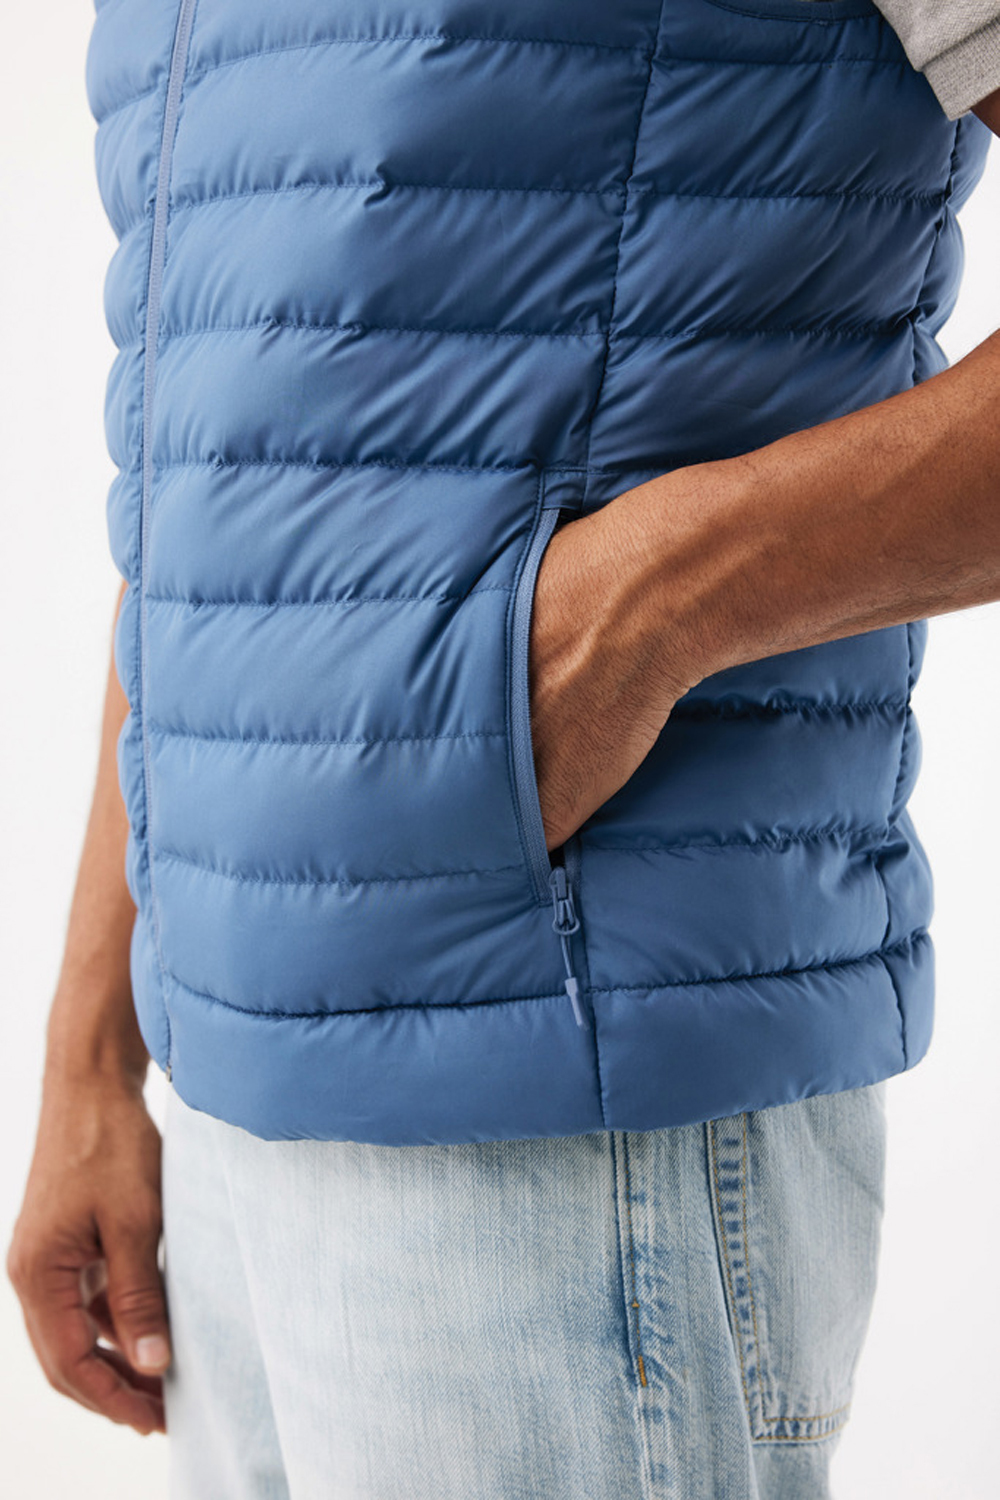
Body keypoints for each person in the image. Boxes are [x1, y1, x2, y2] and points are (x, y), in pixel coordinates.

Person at [7, 2, 1000, 1495]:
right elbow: (221, 473)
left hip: (564, 1068)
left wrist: (650, 604)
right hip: (222, 1123)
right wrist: (94, 1052)